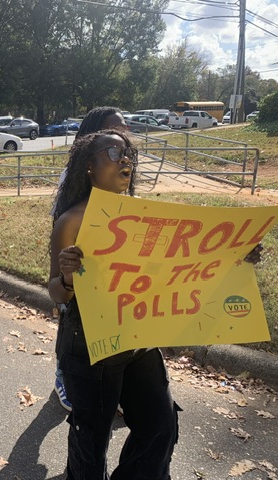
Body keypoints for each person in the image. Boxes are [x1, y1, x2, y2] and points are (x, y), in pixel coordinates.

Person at [49, 129, 180, 479]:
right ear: (89, 167)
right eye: (113, 153)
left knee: (161, 425)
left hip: (139, 336)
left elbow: (179, 265)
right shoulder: (72, 220)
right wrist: (67, 277)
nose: (126, 160)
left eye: (129, 155)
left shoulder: (146, 216)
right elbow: (55, 293)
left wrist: (232, 256)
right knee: (91, 440)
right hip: (90, 343)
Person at [53, 106, 128, 412]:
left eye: (125, 131)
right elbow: (60, 220)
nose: (123, 137)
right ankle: (65, 373)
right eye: (114, 131)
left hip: (116, 297)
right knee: (70, 322)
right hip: (80, 291)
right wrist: (67, 269)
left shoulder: (125, 183)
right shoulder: (74, 197)